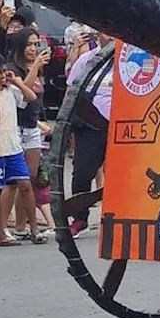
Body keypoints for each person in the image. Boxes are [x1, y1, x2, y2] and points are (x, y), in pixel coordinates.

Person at [65, 33, 111, 237]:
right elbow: (71, 91)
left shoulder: (134, 59)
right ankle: (80, 218)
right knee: (82, 173)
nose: (109, 36)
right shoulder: (86, 60)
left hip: (126, 125)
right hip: (91, 124)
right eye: (105, 31)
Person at [6, 28, 50, 243]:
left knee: (30, 178)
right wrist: (34, 68)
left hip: (32, 127)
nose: (33, 49)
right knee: (16, 180)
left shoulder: (37, 69)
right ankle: (10, 224)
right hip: (15, 127)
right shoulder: (12, 69)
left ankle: (22, 225)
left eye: (36, 44)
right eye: (29, 44)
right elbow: (26, 96)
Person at [0, 62, 36, 246]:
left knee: (25, 184)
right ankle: (1, 229)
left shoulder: (12, 91)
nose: (2, 77)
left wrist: (18, 82)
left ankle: (33, 228)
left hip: (14, 147)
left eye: (4, 73)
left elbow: (31, 97)